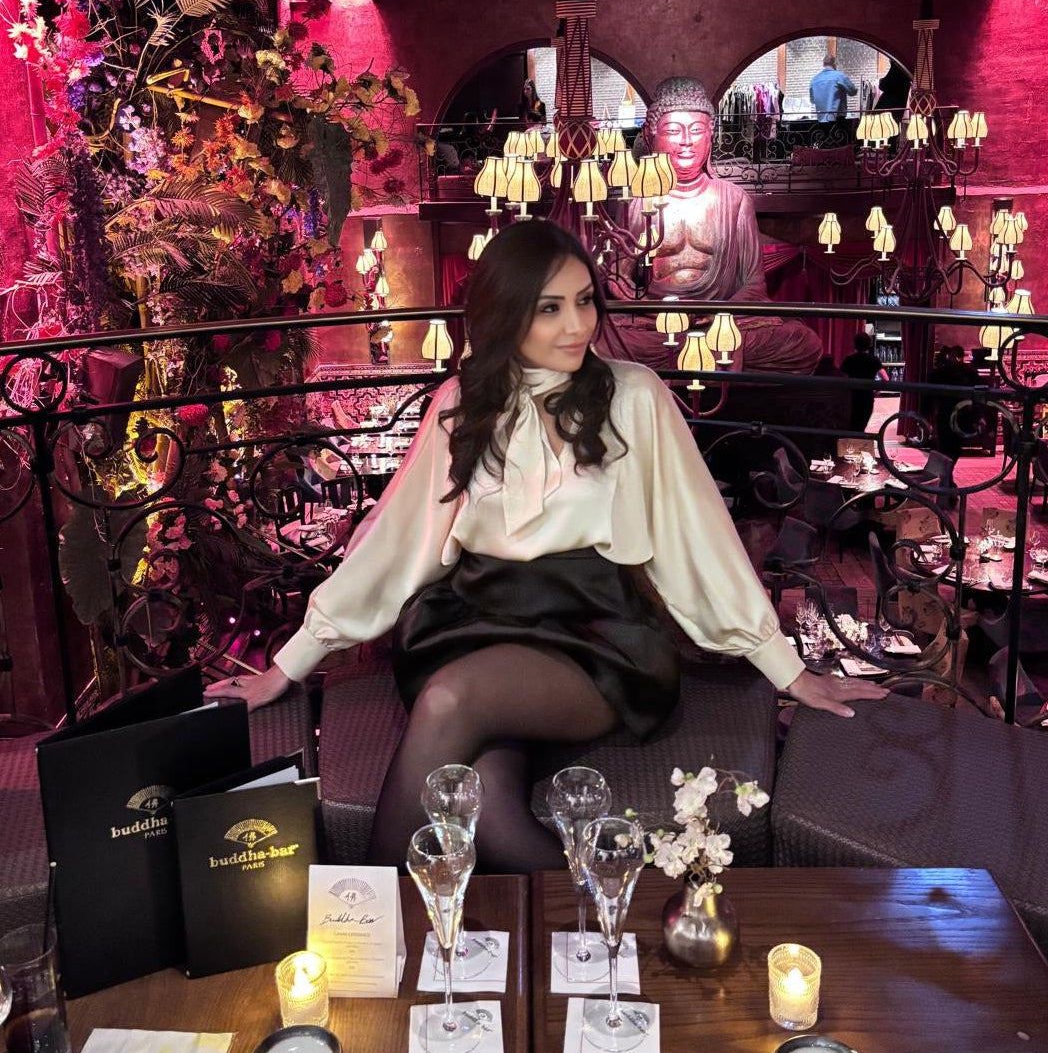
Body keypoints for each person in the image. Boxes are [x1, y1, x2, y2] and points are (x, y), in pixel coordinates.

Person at [206, 221, 885, 871]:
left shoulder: (635, 396)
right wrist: (289, 664)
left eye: (584, 301)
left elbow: (697, 535)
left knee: (450, 701)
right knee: (488, 807)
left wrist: (787, 668)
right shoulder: (461, 405)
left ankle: (368, 919)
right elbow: (396, 541)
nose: (577, 325)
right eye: (549, 308)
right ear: (505, 315)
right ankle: (614, 918)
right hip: (468, 622)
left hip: (593, 635)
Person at [610, 76, 824, 374]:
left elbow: (753, 283)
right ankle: (704, 357)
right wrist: (656, 310)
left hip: (723, 320)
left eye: (697, 130)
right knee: (603, 339)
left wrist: (717, 313)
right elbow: (618, 277)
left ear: (710, 135)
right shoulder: (638, 203)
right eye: (673, 131)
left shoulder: (734, 200)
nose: (686, 141)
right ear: (650, 135)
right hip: (656, 321)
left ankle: (681, 360)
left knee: (801, 343)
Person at [839, 331, 889, 432]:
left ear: (855, 344)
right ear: (869, 344)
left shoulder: (849, 360)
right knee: (861, 427)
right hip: (867, 397)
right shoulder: (874, 360)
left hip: (851, 397)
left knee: (851, 427)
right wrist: (876, 390)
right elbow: (886, 379)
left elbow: (840, 378)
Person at [809, 55, 857, 123]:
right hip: (838, 120)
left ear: (823, 64)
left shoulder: (814, 80)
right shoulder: (839, 76)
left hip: (821, 121)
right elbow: (853, 91)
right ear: (835, 64)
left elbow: (812, 100)